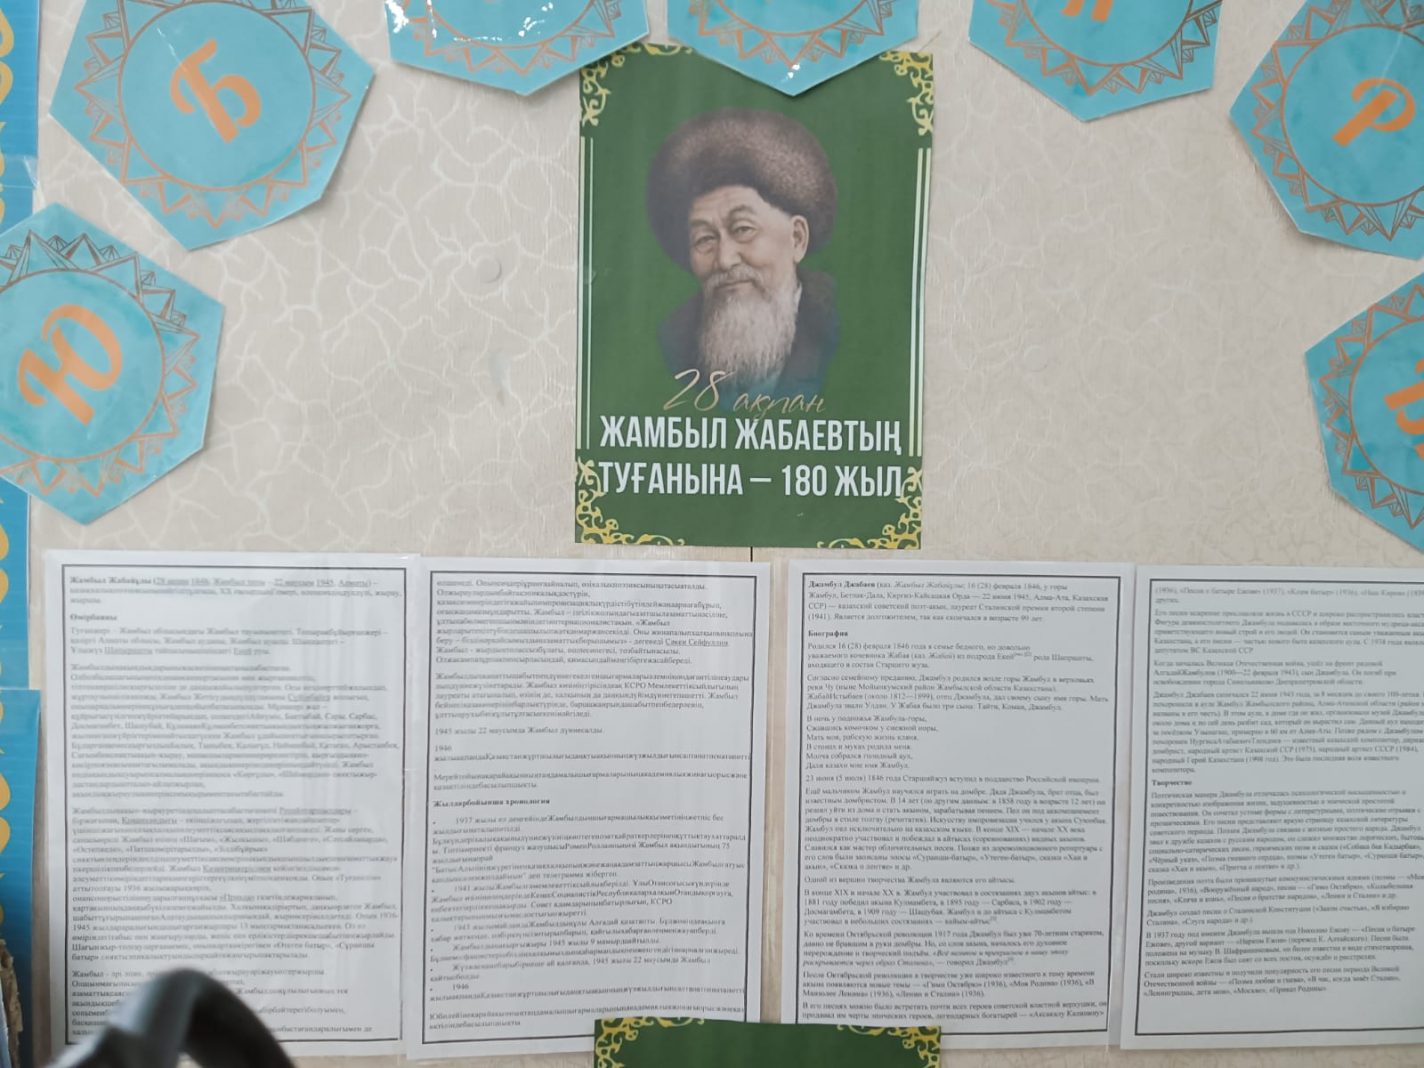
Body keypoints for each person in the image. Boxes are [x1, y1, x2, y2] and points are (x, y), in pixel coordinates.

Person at [647, 108, 839, 399]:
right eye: (705, 239)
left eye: (743, 229)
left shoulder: (840, 330)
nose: (724, 260)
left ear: (797, 238)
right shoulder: (672, 344)